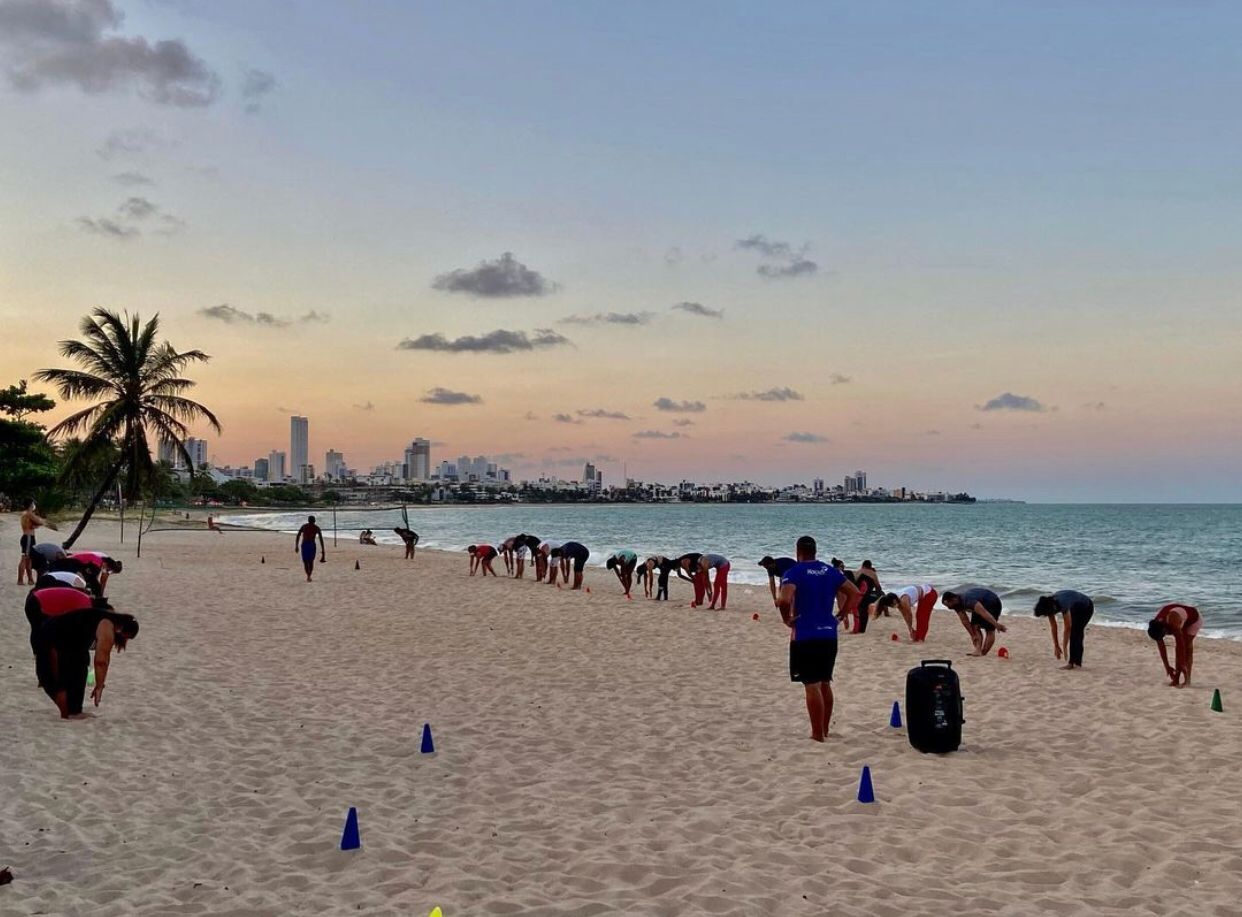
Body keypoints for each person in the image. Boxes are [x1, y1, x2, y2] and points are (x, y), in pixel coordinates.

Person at [777, 535, 862, 742]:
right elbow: (855, 593)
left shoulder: (794, 572)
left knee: (811, 684)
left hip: (805, 635)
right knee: (825, 682)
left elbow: (783, 599)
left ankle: (817, 735)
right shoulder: (829, 571)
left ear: (798, 551)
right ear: (815, 550)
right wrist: (841, 614)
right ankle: (824, 729)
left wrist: (787, 619)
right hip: (828, 634)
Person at [34, 605, 138, 719]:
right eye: (127, 637)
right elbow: (101, 661)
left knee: (80, 667)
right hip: (52, 635)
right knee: (55, 680)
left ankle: (73, 711)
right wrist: (99, 686)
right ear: (121, 630)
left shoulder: (107, 617)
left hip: (69, 640)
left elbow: (104, 658)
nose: (125, 640)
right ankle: (68, 713)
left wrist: (100, 684)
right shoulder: (107, 625)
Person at [1034, 591, 1095, 668]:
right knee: (1076, 632)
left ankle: (1072, 663)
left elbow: (1067, 627)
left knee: (1075, 632)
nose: (1047, 616)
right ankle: (1076, 662)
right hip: (1075, 606)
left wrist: (1064, 647)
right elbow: (1054, 626)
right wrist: (1056, 646)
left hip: (1086, 607)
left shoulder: (1063, 603)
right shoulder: (1049, 604)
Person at [1148, 603, 1202, 687]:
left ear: (1164, 628)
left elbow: (1180, 647)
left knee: (1187, 648)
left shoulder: (1173, 622)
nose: (1166, 635)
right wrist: (1167, 666)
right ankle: (1177, 680)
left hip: (1193, 620)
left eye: (1164, 634)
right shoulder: (1155, 626)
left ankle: (1187, 680)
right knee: (1181, 656)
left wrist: (1182, 664)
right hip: (1180, 619)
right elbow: (1161, 647)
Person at [941, 588, 1008, 656]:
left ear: (953, 599)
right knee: (975, 627)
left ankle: (983, 653)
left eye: (948, 605)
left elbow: (984, 613)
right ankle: (978, 650)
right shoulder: (955, 604)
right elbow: (964, 620)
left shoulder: (968, 601)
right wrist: (972, 635)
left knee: (989, 630)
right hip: (979, 603)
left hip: (992, 602)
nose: (949, 608)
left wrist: (996, 625)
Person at [19, 501, 57, 585]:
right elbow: (39, 521)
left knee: (28, 559)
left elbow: (32, 525)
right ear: (30, 505)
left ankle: (30, 579)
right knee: (25, 559)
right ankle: (20, 580)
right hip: (28, 538)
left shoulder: (24, 514)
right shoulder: (29, 513)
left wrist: (38, 524)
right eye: (33, 504)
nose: (34, 505)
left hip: (27, 537)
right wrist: (45, 523)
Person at [853, 560, 884, 632]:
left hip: (857, 595)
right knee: (865, 609)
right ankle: (862, 629)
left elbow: (853, 584)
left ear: (862, 565)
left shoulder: (858, 572)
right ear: (870, 566)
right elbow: (878, 587)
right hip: (867, 596)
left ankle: (857, 627)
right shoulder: (873, 573)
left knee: (860, 609)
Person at [294, 516, 325, 582]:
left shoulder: (306, 527)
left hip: (307, 545)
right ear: (314, 521)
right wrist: (323, 550)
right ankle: (309, 575)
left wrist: (296, 545)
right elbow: (321, 539)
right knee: (309, 562)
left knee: (307, 562)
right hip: (309, 545)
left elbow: (298, 535)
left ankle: (308, 575)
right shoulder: (315, 527)